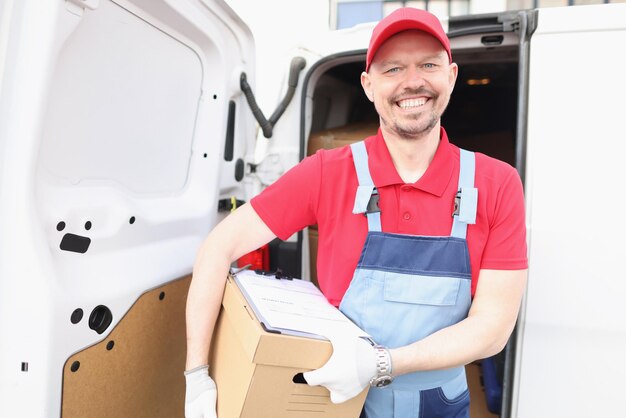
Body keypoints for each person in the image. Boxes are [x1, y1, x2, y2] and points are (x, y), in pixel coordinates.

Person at [184, 7, 528, 418]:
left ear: (451, 75)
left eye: (428, 64)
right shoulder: (328, 172)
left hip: (440, 403)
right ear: (368, 85)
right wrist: (197, 375)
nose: (412, 81)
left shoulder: (497, 184)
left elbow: (492, 329)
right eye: (393, 68)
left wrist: (381, 364)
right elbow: (218, 247)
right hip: (339, 402)